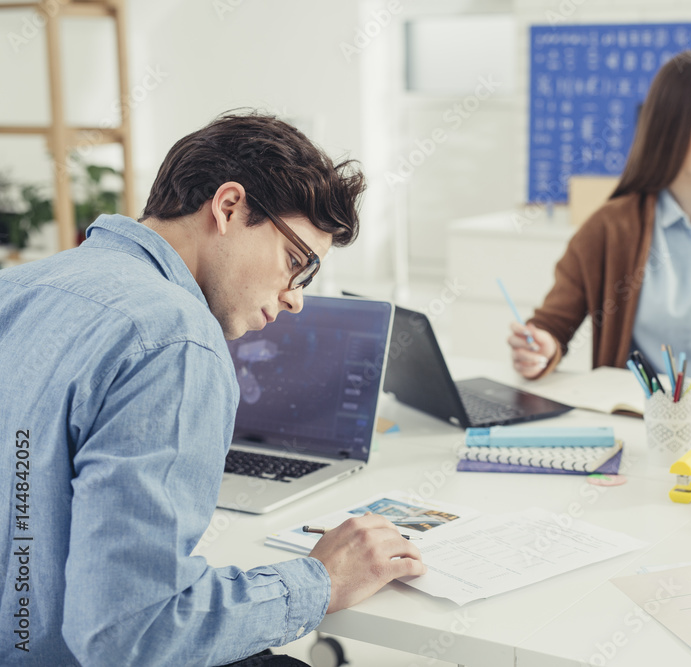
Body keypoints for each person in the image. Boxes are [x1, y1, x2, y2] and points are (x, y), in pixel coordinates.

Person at [0, 112, 425, 666]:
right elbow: (131, 632)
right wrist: (320, 581)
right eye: (297, 262)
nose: (296, 297)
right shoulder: (175, 339)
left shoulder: (19, 285)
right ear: (228, 207)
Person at [508, 49, 691, 392]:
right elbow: (554, 326)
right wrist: (539, 349)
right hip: (640, 419)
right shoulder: (608, 228)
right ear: (667, 127)